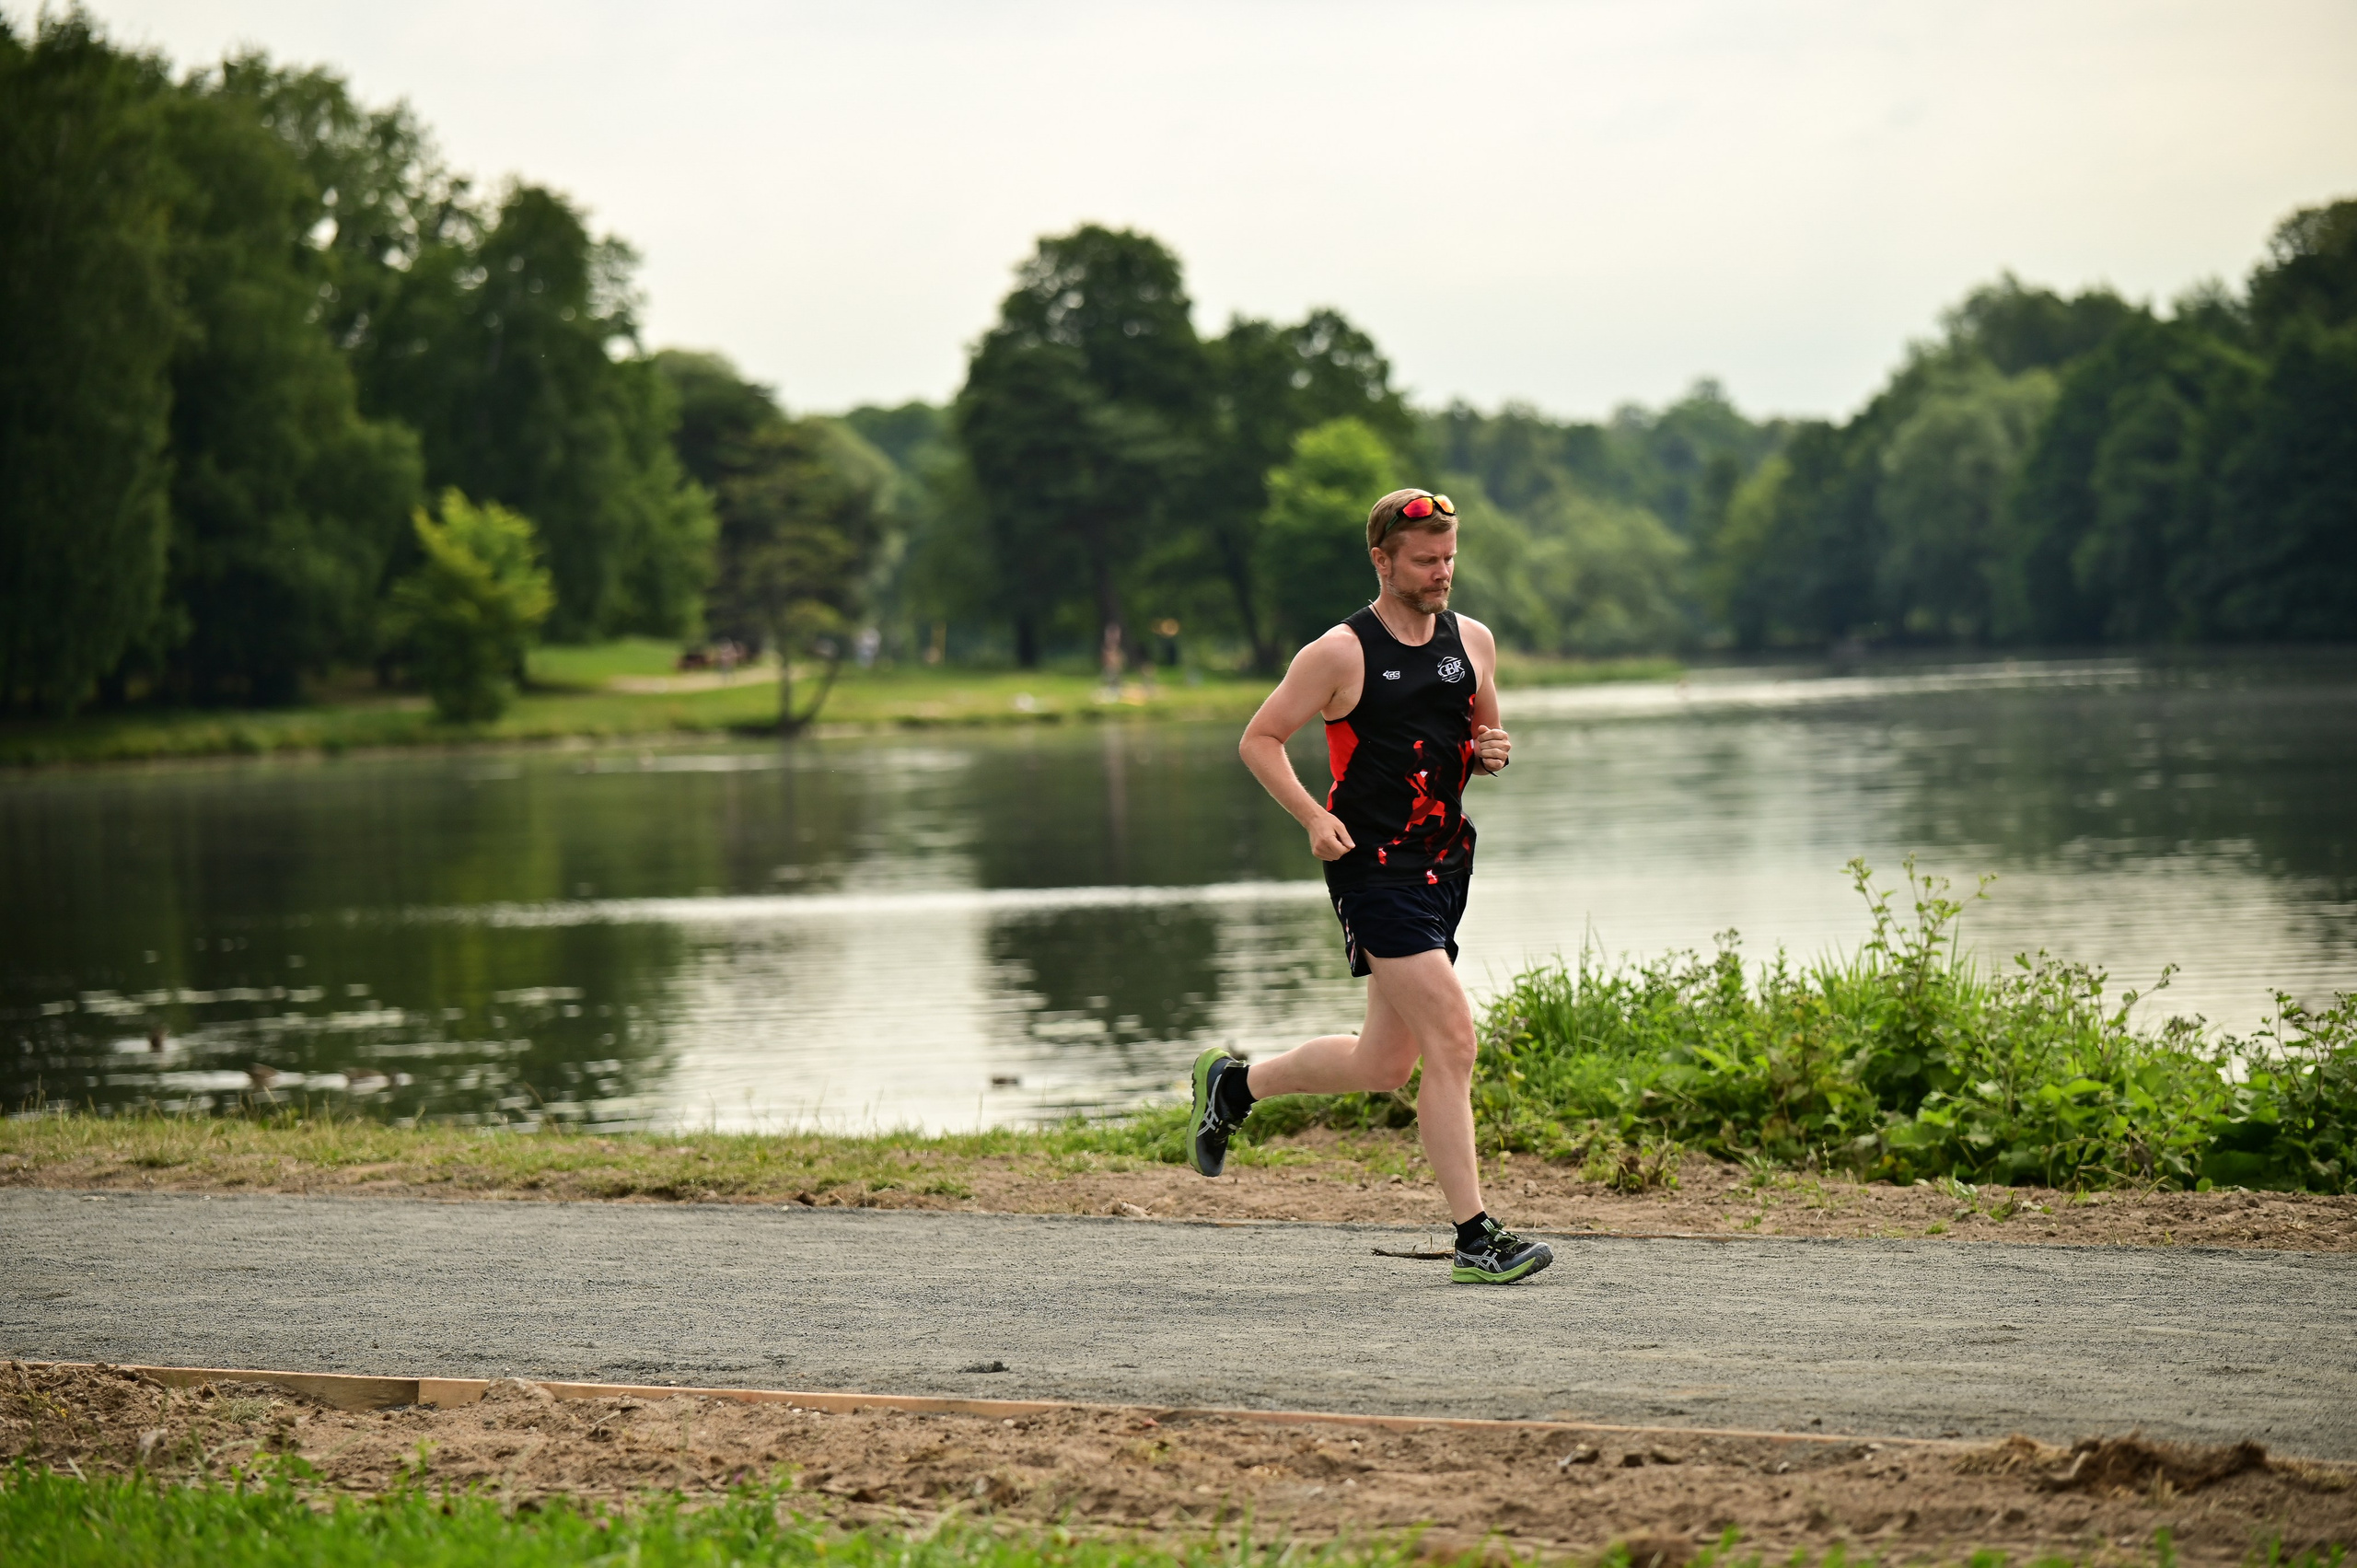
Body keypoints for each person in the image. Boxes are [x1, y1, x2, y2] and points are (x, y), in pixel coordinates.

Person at [1190, 488, 1552, 1285]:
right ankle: (1474, 1236)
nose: (1441, 573)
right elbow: (1260, 739)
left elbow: (1482, 737)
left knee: (1383, 1062)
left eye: (1449, 558)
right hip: (1373, 870)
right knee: (1454, 1038)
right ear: (1381, 560)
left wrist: (1491, 752)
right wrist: (1312, 817)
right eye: (1425, 561)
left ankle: (1235, 1085)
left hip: (1445, 864)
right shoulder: (1339, 653)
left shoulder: (1474, 641)